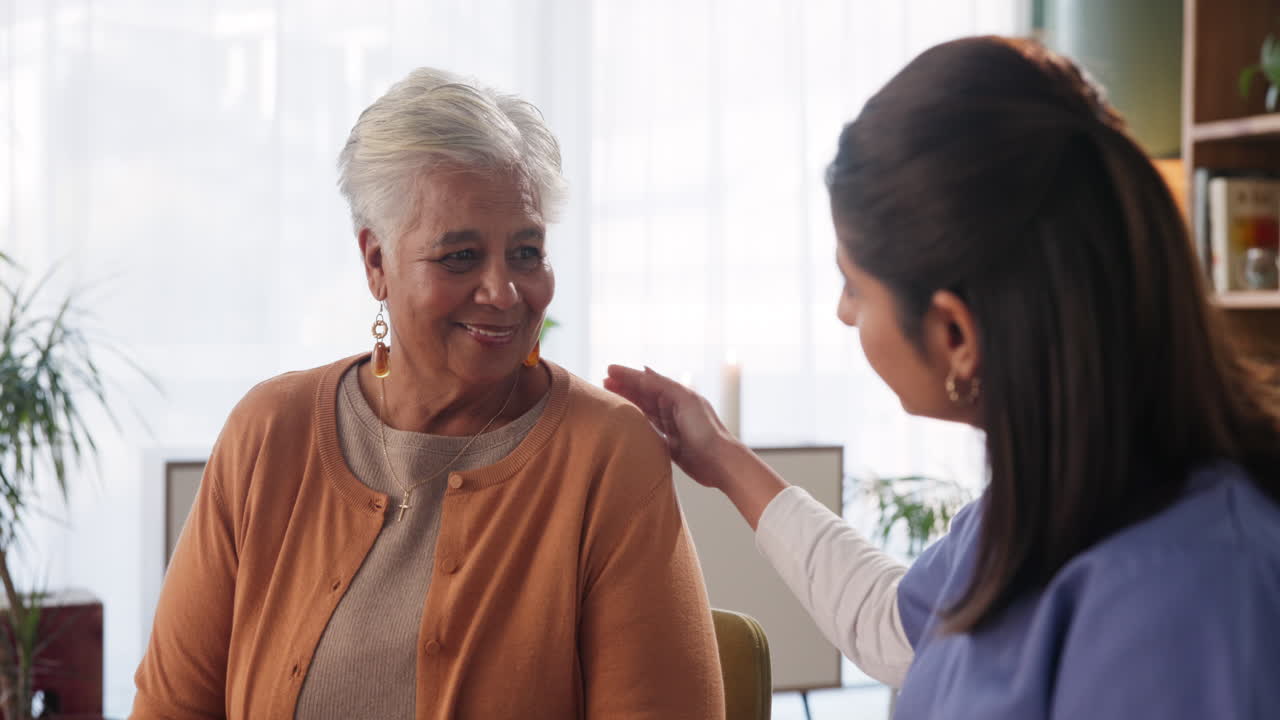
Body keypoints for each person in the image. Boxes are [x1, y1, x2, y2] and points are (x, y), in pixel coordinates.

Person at [606, 36, 1280, 718]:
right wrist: (721, 456)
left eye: (853, 285)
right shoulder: (1029, 508)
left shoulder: (1184, 600)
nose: (843, 314)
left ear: (955, 334)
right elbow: (888, 622)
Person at [132, 68, 724, 720]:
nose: (503, 291)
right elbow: (171, 708)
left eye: (526, 252)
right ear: (376, 262)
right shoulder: (269, 432)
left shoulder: (606, 454)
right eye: (460, 256)